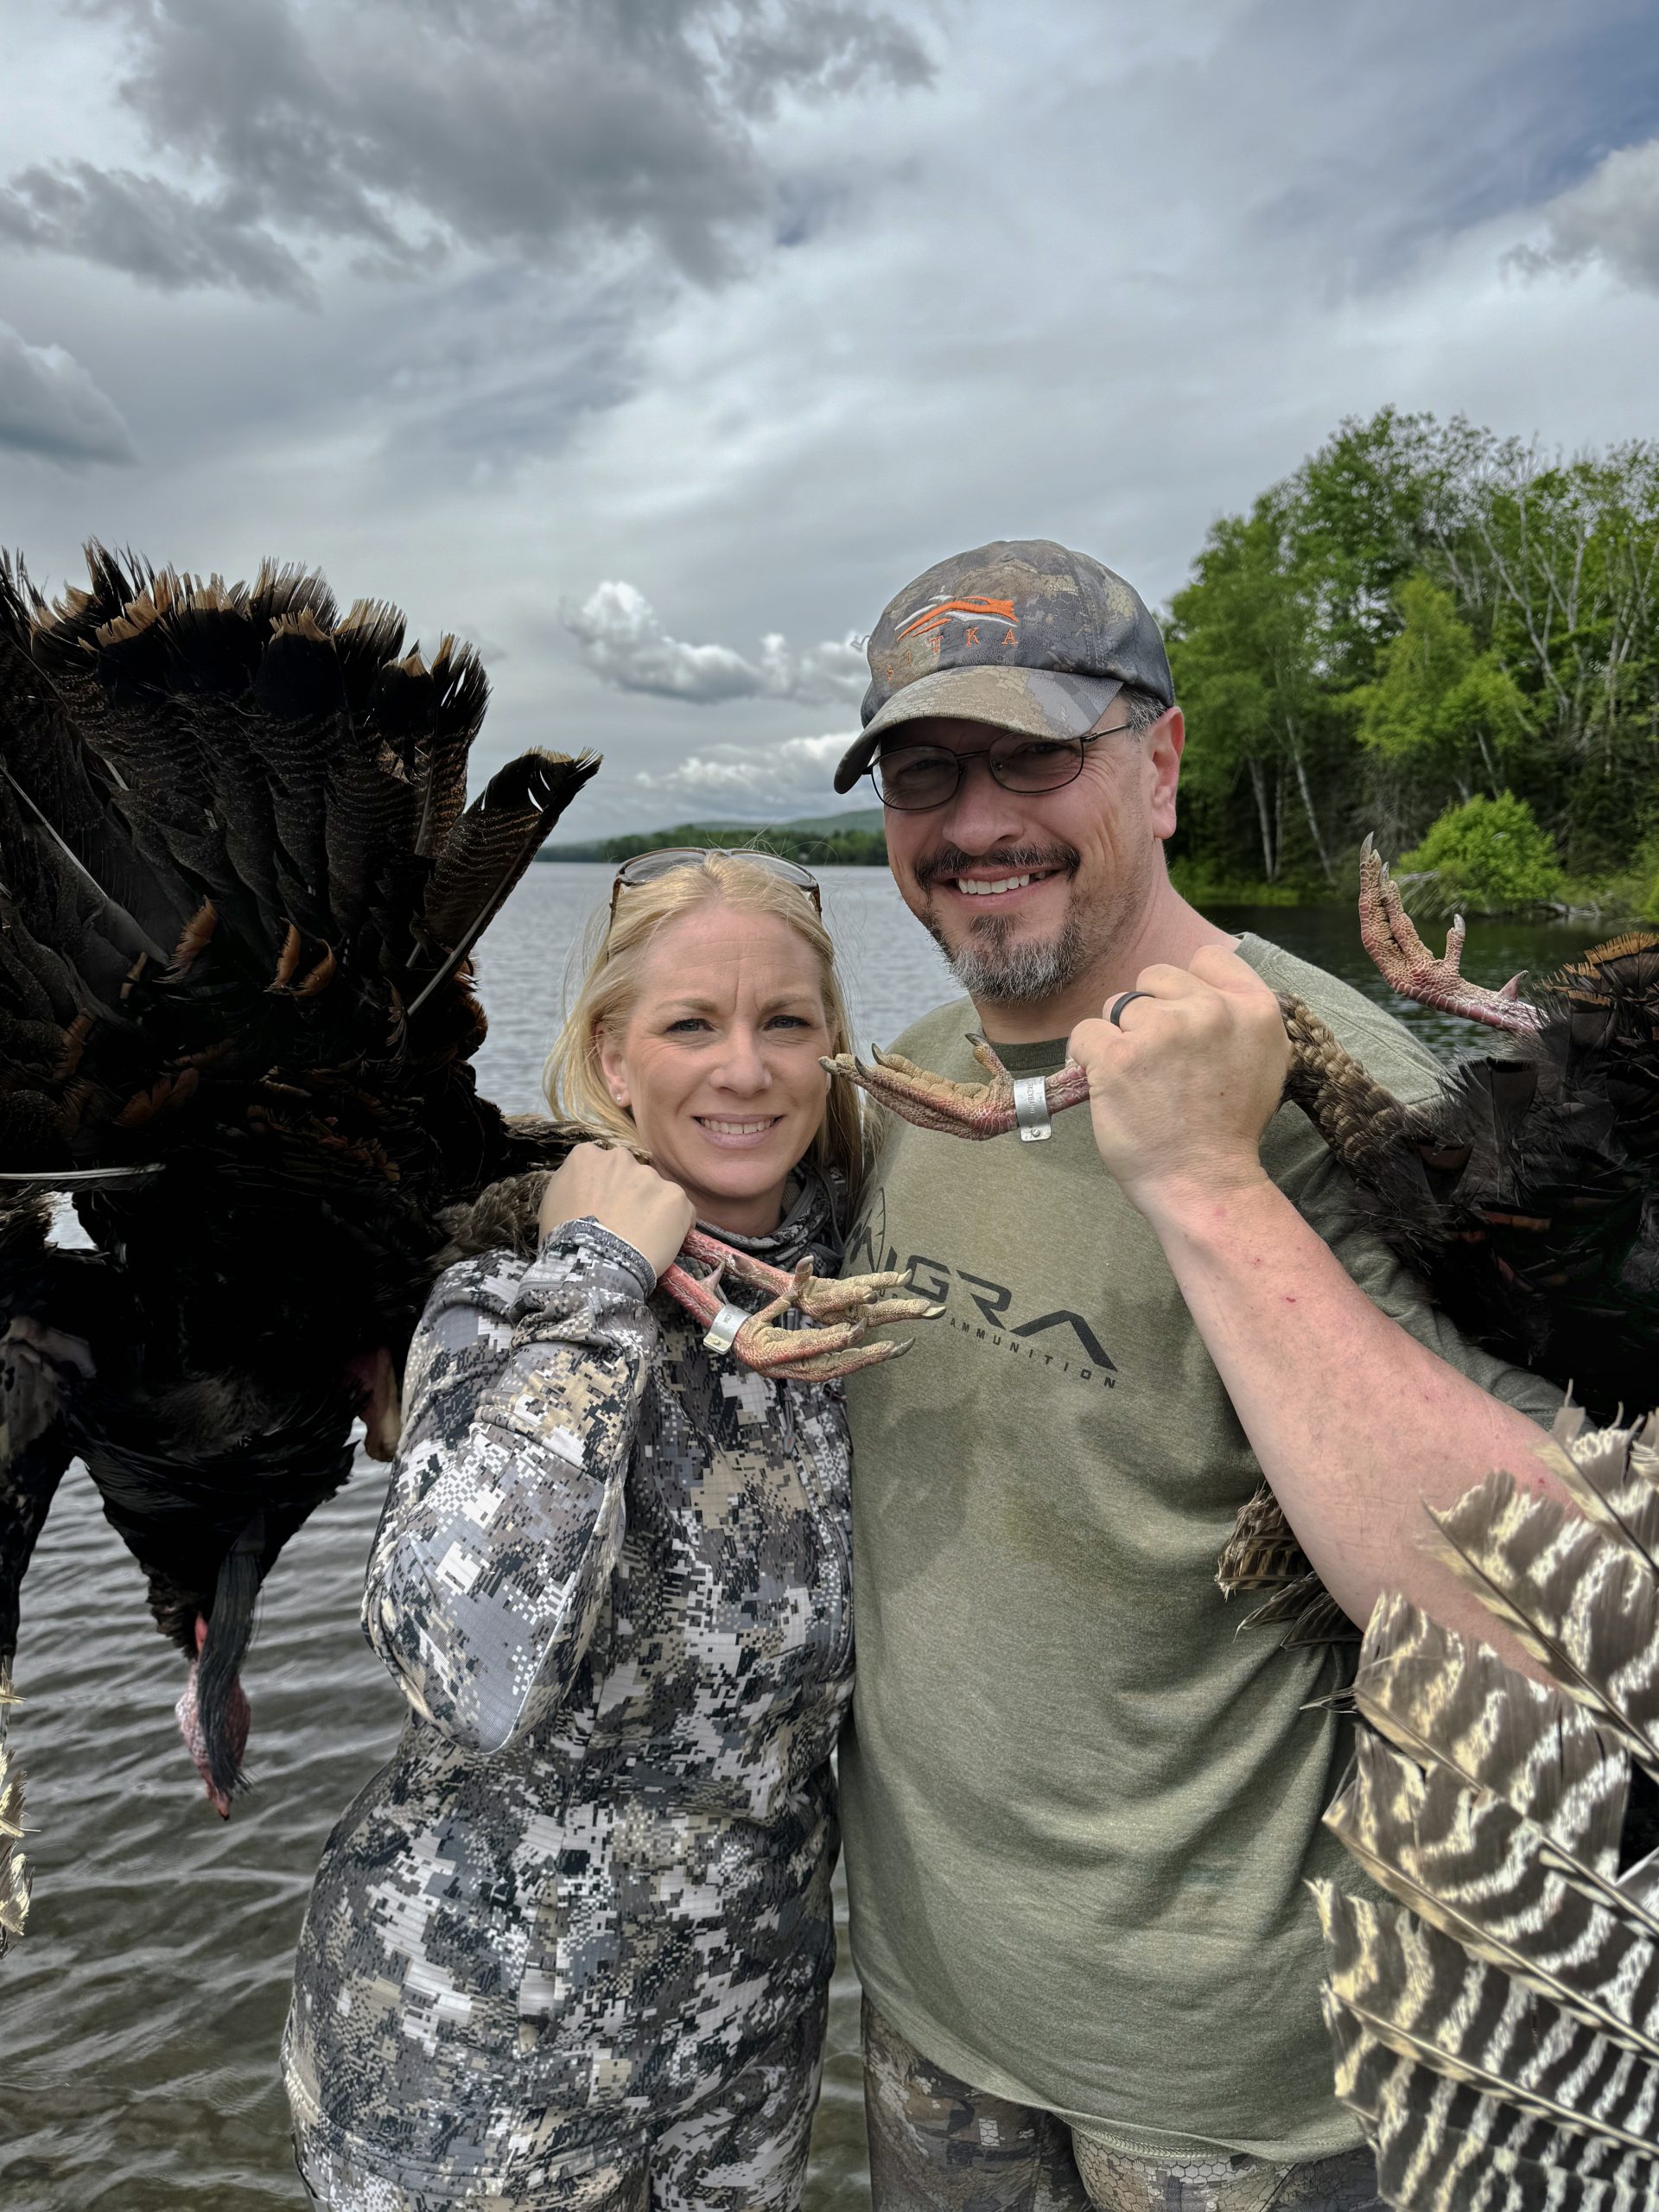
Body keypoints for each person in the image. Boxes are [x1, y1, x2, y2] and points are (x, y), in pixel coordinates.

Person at [829, 539, 1567, 2211]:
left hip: (1246, 2092)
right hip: (935, 2015)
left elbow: (1537, 1637)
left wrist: (1213, 1186)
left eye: (1036, 756)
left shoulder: (1352, 1095)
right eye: (921, 773)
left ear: (1160, 766)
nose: (973, 822)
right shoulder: (911, 1079)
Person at [283, 851, 868, 2212]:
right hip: (470, 2073)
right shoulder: (502, 1311)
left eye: (785, 1022)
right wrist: (600, 1281)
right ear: (611, 1056)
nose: (746, 1069)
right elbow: (468, 1671)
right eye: (689, 1025)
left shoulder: (848, 1300)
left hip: (741, 2062)